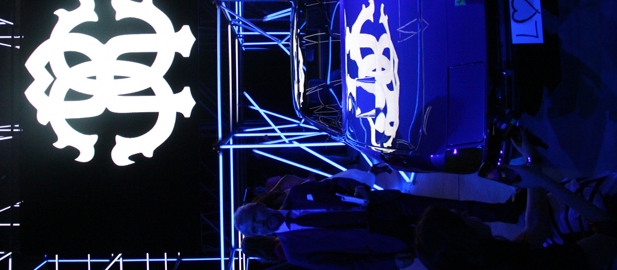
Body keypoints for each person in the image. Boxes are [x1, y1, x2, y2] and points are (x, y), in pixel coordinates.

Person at [414, 129, 617, 270]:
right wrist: (545, 182)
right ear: (464, 239)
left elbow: (535, 229)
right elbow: (610, 233)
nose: (467, 213)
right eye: (461, 217)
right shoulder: (540, 265)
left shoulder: (492, 259)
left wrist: (531, 161)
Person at [234, 173, 526, 270]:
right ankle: (497, 254)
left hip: (382, 206)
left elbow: (336, 184)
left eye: (256, 217)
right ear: (257, 235)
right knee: (445, 240)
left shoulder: (297, 194)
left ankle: (505, 213)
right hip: (379, 242)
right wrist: (388, 263)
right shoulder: (294, 252)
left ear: (260, 207)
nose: (261, 224)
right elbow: (344, 265)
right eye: (255, 228)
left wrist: (358, 189)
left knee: (447, 208)